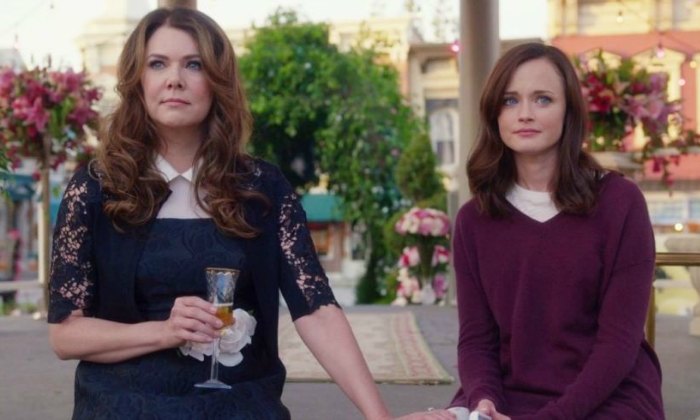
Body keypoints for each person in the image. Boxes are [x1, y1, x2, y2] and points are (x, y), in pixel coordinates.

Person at [47, 7, 451, 420]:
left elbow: (316, 310)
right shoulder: (94, 190)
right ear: (137, 80)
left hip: (240, 405)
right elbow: (65, 335)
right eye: (157, 64)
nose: (174, 79)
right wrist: (164, 332)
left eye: (194, 64)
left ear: (217, 81)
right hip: (124, 406)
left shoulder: (262, 189)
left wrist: (380, 416)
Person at [448, 43, 664, 419]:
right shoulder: (473, 220)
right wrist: (483, 400)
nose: (525, 114)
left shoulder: (620, 203)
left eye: (543, 99)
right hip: (510, 394)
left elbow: (619, 342)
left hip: (610, 396)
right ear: (494, 113)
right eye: (510, 100)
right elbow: (476, 339)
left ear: (569, 112)